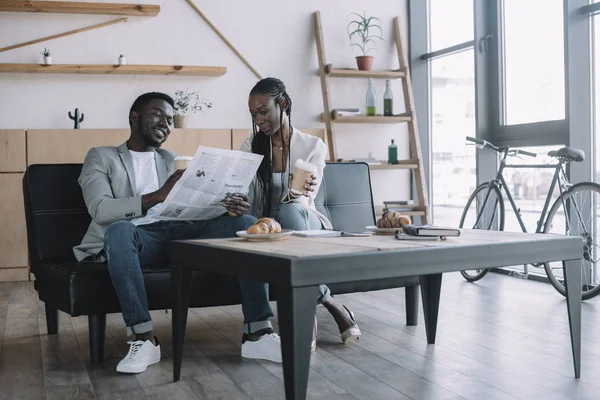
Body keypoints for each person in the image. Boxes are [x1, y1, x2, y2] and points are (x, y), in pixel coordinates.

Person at [73, 92, 282, 373]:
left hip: (177, 233)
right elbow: (100, 210)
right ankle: (143, 338)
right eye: (158, 115)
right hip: (137, 238)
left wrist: (229, 206)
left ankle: (258, 333)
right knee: (119, 231)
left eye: (171, 120)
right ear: (135, 117)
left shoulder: (170, 158)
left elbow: (190, 206)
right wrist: (158, 195)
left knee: (244, 222)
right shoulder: (101, 156)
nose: (166, 123)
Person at [240, 77, 361, 345]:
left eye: (264, 112)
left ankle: (306, 312)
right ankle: (329, 303)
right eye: (253, 114)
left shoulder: (312, 146)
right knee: (258, 227)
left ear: (282, 104)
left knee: (292, 210)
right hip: (268, 230)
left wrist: (301, 191)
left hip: (305, 223)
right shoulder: (251, 146)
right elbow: (247, 199)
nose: (259, 121)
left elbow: (306, 200)